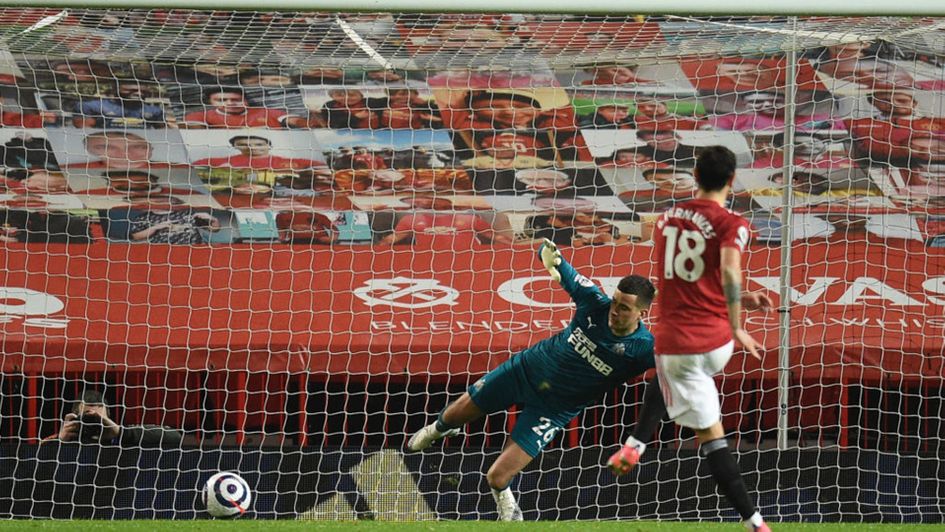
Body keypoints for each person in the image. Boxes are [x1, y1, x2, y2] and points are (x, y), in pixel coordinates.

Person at [407, 241, 658, 520]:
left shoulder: (643, 349)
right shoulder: (593, 301)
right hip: (524, 371)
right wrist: (550, 254)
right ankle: (440, 429)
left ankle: (509, 508)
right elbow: (551, 258)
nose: (615, 310)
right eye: (615, 302)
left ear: (641, 313)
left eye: (624, 308)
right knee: (452, 416)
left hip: (553, 409)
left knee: (497, 477)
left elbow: (675, 372)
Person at [606, 146, 773, 532]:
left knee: (701, 422)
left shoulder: (665, 220)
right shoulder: (735, 223)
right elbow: (724, 277)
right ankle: (636, 446)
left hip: (680, 345)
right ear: (732, 181)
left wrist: (737, 320)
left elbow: (693, 279)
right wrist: (739, 316)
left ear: (694, 174)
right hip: (713, 344)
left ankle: (754, 523)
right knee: (669, 383)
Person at [42, 389, 183, 447]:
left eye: (98, 418)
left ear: (108, 417)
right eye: (86, 418)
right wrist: (59, 443)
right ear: (74, 418)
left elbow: (175, 437)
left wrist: (121, 433)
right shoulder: (66, 439)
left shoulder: (121, 436)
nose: (93, 424)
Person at [74, 81, 168, 128]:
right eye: (132, 90)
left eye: (143, 91)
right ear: (115, 90)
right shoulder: (92, 106)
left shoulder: (155, 110)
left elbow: (163, 130)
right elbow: (84, 130)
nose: (139, 94)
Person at [182, 86, 287, 129]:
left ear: (245, 101)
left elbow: (295, 121)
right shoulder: (199, 116)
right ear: (211, 103)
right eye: (222, 100)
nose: (230, 103)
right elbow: (194, 128)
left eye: (236, 100)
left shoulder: (268, 112)